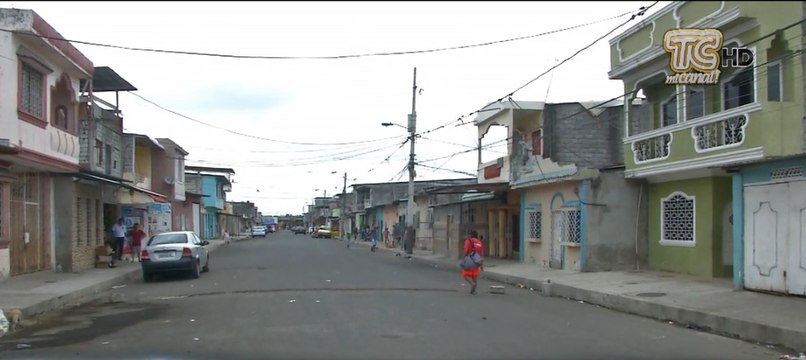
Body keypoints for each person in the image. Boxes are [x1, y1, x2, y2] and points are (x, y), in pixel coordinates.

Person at [462, 230, 484, 295]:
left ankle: (472, 284)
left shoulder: (468, 241)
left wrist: (464, 257)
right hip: (477, 261)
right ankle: (473, 290)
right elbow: (481, 255)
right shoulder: (480, 243)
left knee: (465, 274)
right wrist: (482, 265)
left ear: (470, 235)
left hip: (469, 260)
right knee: (474, 276)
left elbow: (466, 250)